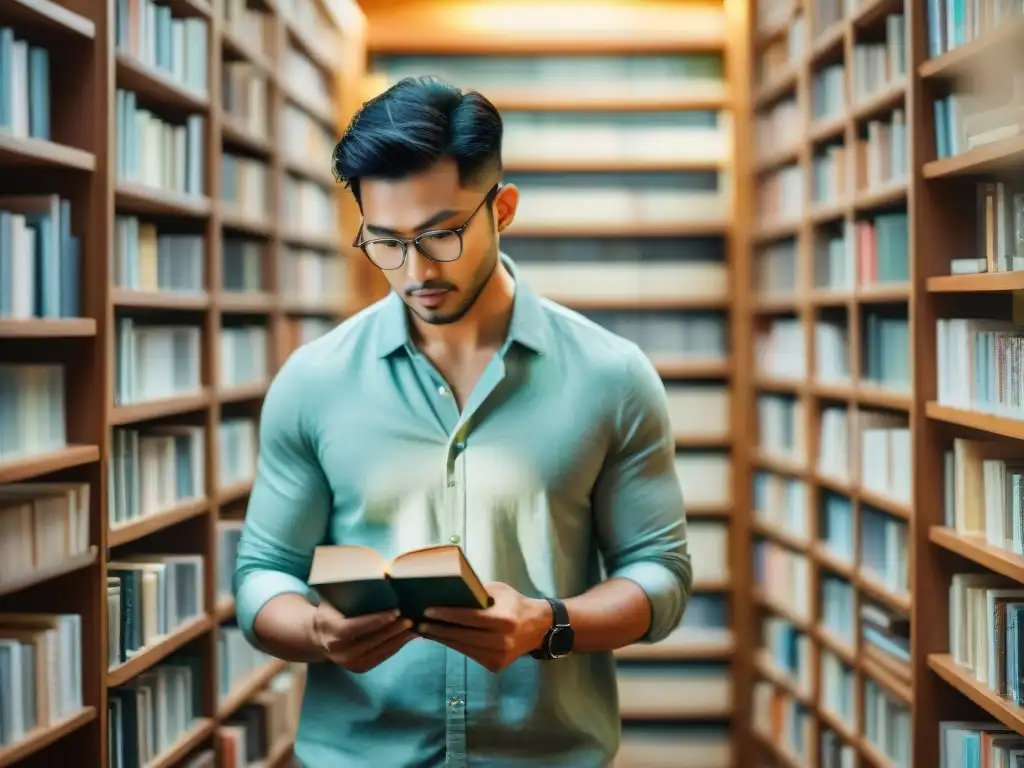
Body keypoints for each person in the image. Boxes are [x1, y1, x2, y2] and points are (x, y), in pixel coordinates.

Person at [233, 75, 693, 768]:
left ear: (501, 209)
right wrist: (316, 630)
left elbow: (660, 574)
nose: (415, 269)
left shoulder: (612, 376)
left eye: (441, 234)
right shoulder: (313, 380)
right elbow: (263, 574)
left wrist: (550, 624)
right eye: (385, 241)